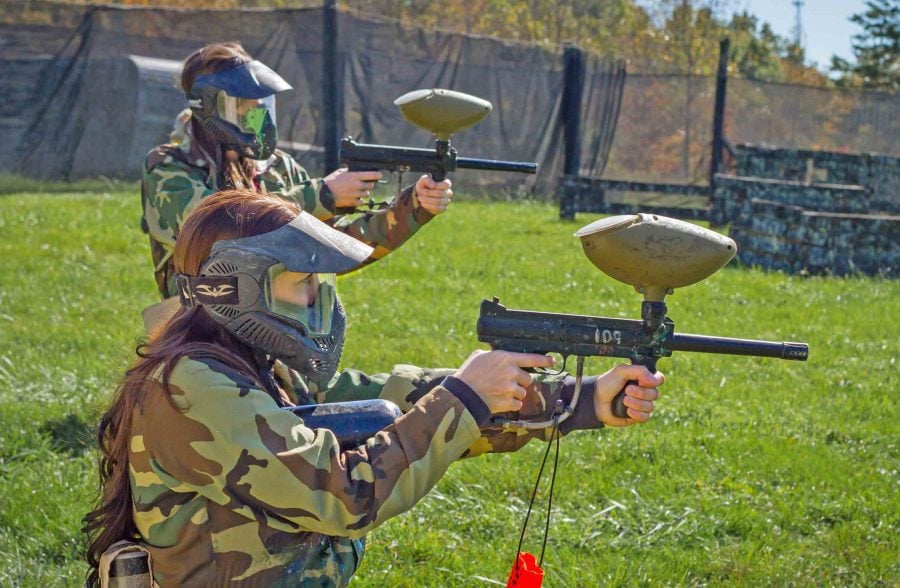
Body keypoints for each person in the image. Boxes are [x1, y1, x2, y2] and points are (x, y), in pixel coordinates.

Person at [84, 189, 663, 587]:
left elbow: (389, 401)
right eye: (302, 283)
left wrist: (581, 401)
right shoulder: (193, 388)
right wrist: (463, 397)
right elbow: (344, 492)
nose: (317, 300)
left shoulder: (245, 360)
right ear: (236, 287)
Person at [140, 41, 452, 329]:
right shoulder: (168, 168)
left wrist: (414, 207)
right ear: (207, 107)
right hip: (204, 333)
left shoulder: (278, 168)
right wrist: (322, 196)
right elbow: (214, 226)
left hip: (286, 329)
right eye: (243, 106)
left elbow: (338, 247)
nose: (256, 116)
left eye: (260, 105)